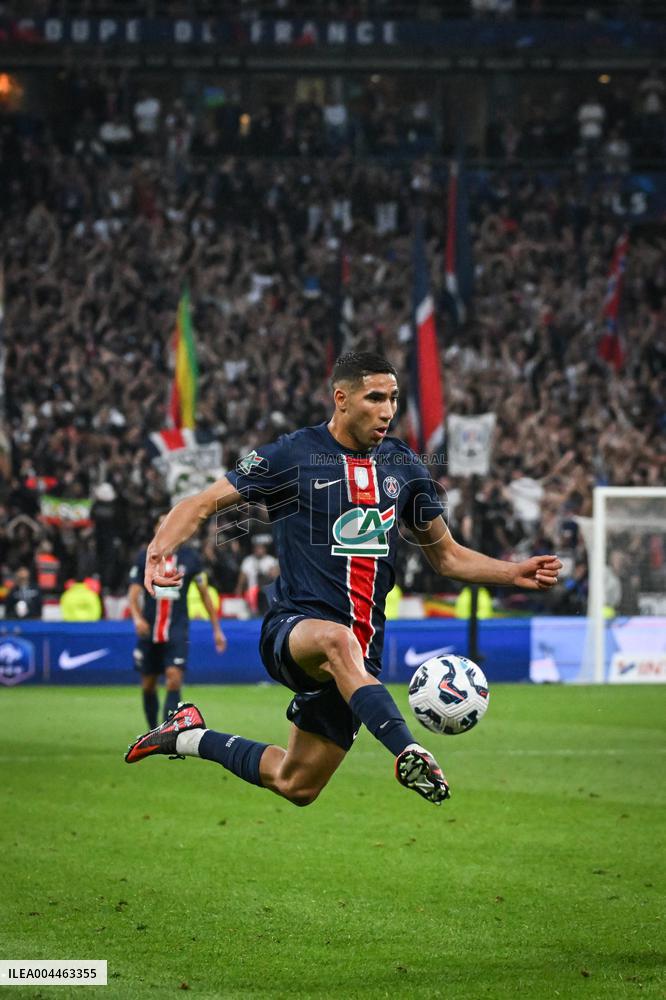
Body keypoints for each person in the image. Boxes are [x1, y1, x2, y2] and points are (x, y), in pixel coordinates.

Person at [125, 353, 561, 806]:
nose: (388, 410)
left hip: (360, 656)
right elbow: (201, 503)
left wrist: (514, 572)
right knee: (337, 640)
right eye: (375, 397)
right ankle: (408, 749)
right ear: (342, 399)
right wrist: (160, 549)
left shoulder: (405, 468)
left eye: (393, 398)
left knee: (297, 784)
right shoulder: (292, 454)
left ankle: (187, 735)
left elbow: (447, 557)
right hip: (296, 630)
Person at [127, 517, 227, 729]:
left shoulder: (190, 558)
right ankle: (152, 729)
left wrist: (217, 630)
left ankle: (166, 732)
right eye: (161, 524)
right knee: (148, 684)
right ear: (156, 529)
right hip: (150, 628)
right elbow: (133, 593)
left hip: (177, 628)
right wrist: (136, 618)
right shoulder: (146, 557)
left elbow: (204, 595)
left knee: (174, 678)